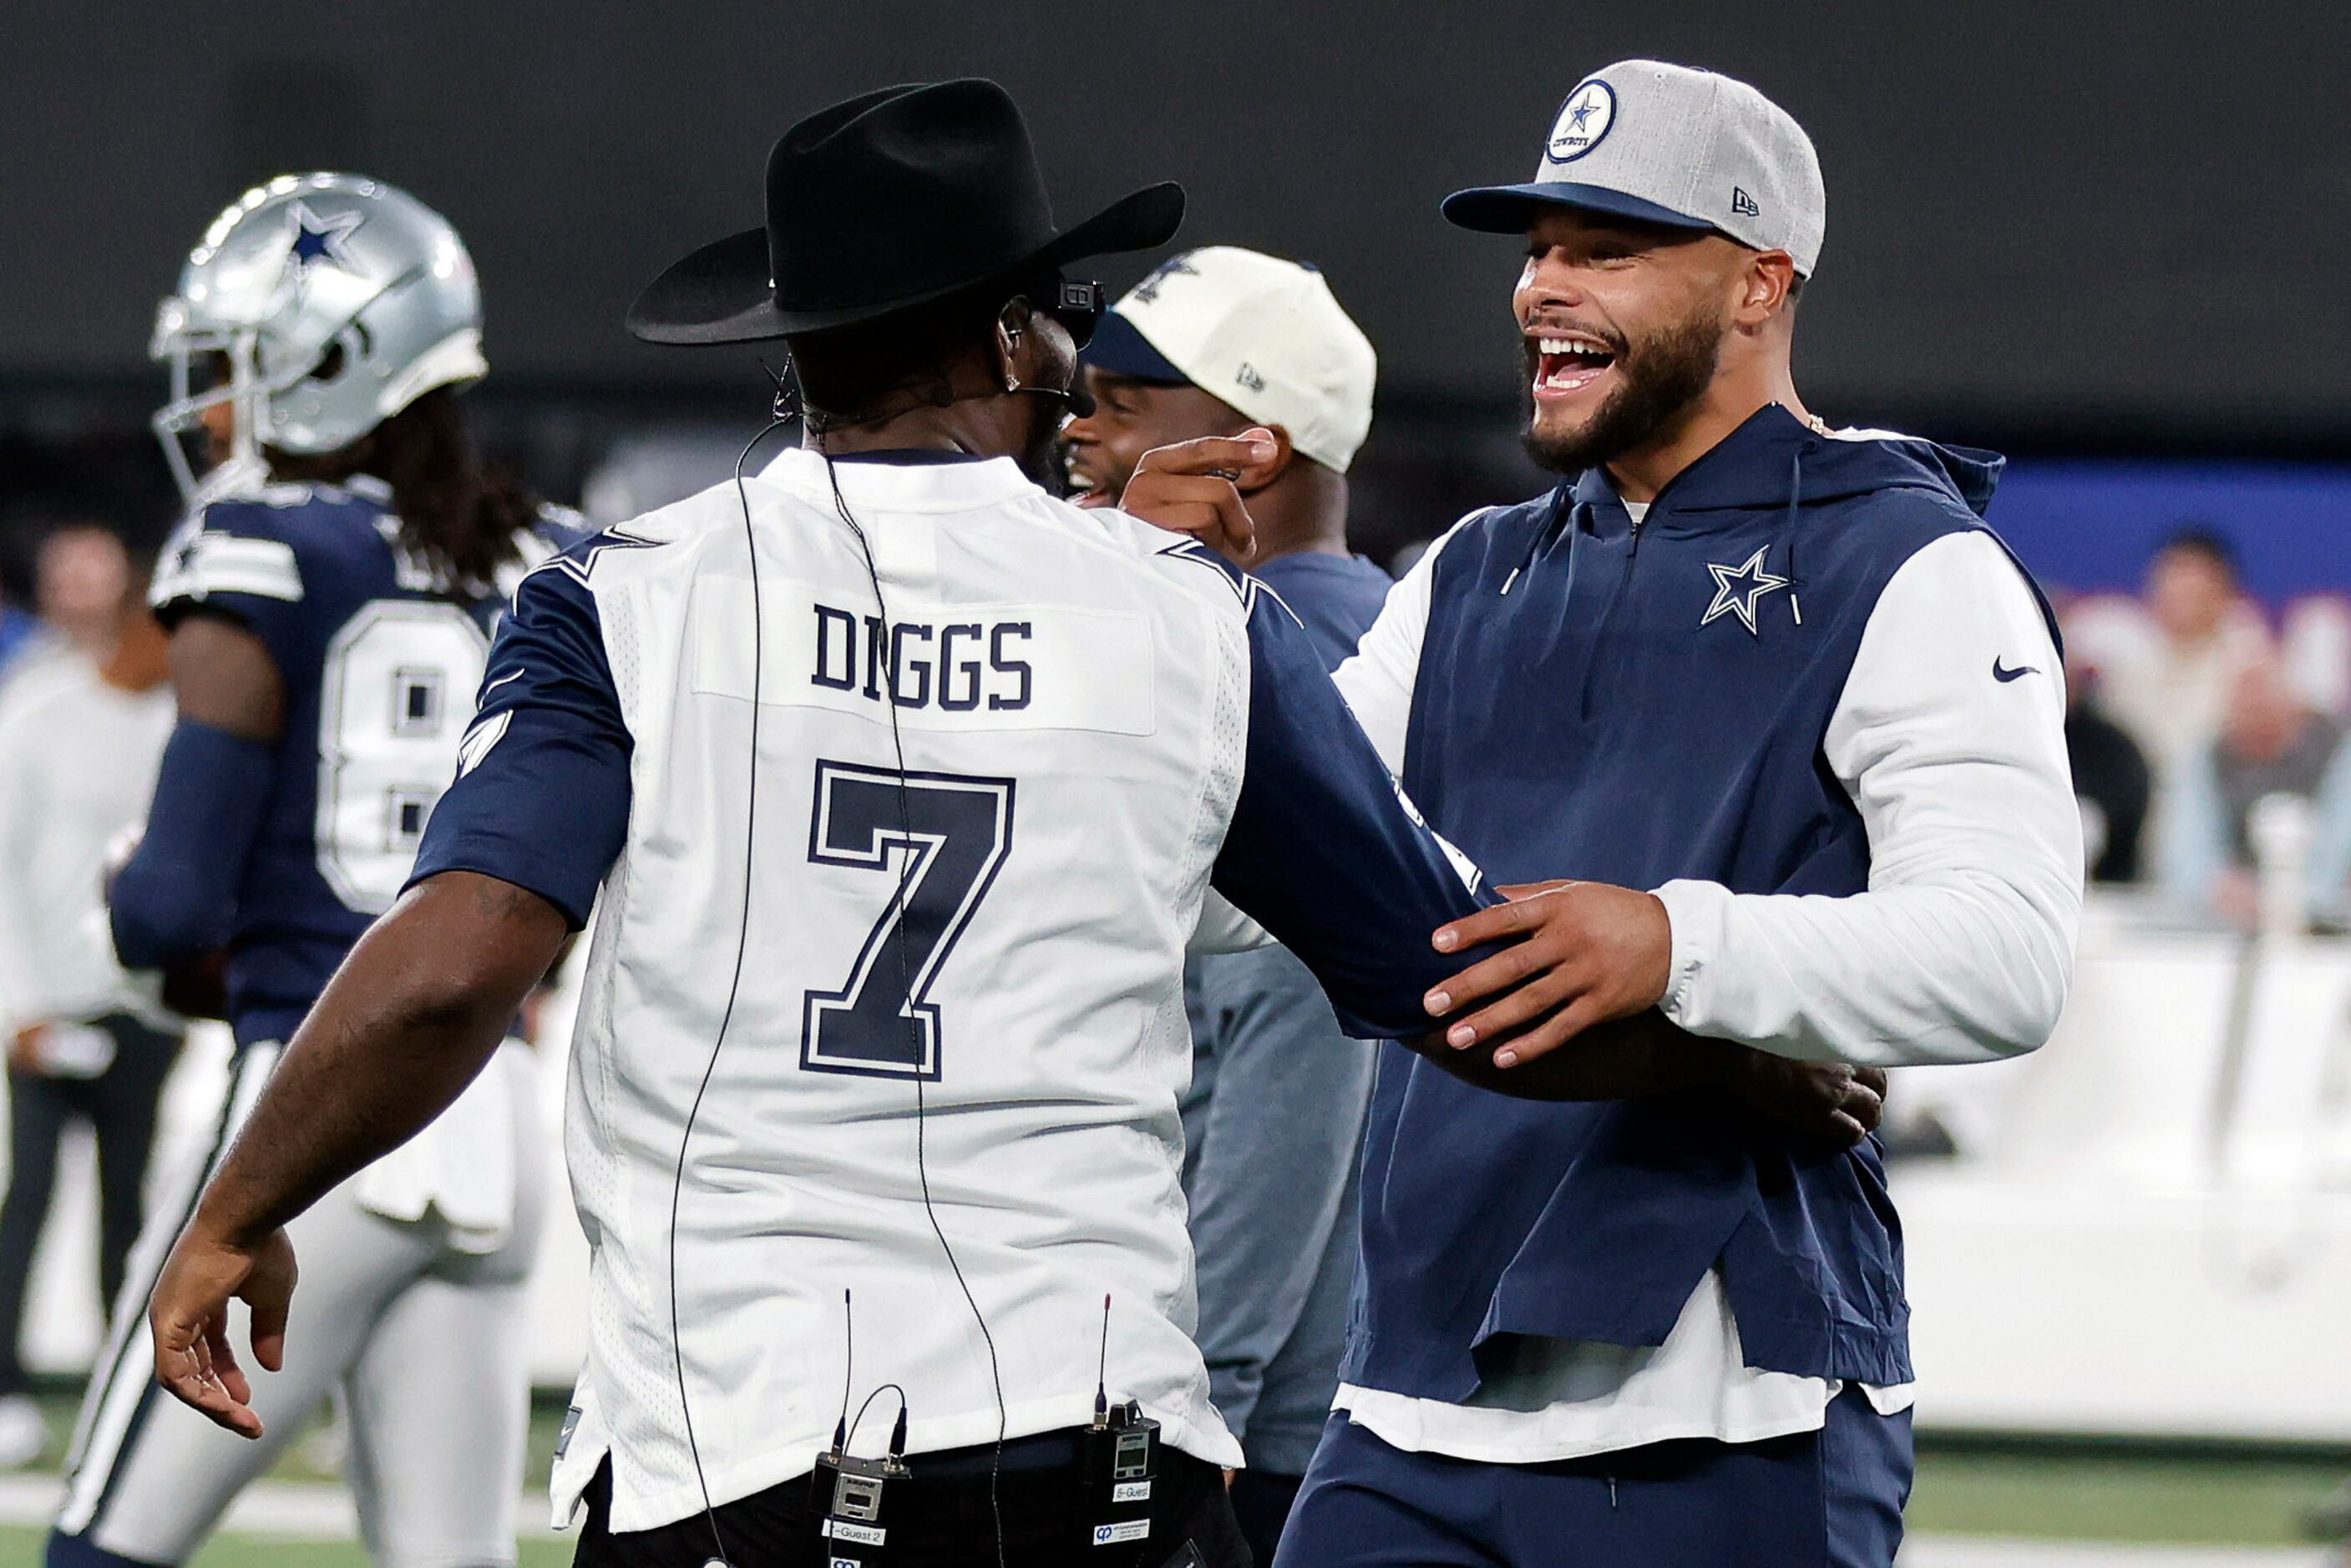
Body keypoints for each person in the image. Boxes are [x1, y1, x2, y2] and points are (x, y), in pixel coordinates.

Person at [134, 83, 1882, 1568]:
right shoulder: (1194, 610)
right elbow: (1453, 983)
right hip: (1099, 1449)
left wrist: (239, 1205)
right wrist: (1730, 1064)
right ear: (1000, 339)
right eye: (1057, 317)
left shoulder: (626, 594)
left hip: (743, 1445)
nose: (1070, 352)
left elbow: (455, 971)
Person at [1153, 61, 2077, 1568]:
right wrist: (1170, 619)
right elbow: (1245, 889)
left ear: (1760, 283)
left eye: (1608, 248)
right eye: (1538, 249)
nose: (1541, 290)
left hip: (1736, 1407)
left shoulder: (1914, 562)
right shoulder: (1465, 570)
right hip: (1406, 1406)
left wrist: (1673, 945)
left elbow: (2010, 953)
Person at [48, 173, 570, 1568]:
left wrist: (130, 892)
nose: (212, 407)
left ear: (326, 365)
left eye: (234, 369)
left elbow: (168, 905)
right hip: (497, 1108)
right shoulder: (554, 561)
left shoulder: (260, 546)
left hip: (311, 1107)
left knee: (103, 1547)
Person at [1064, 245, 1387, 1560]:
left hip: (1234, 1419)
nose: (1078, 428)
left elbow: (1295, 1054)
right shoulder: (1326, 623)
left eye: (1127, 398)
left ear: (1254, 444)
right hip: (1277, 1395)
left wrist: (1182, 1415)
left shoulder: (1282, 652)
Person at [0, 529, 180, 1469]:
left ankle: (126, 1390)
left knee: (133, 1210)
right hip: (50, 1003)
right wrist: (17, 1004)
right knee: (23, 1202)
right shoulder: (30, 707)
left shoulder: (172, 716)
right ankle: (6, 1391)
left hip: (142, 1004)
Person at [2159, 655, 2351, 928]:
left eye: (2266, 713)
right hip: (2224, 922)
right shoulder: (2209, 757)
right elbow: (2184, 854)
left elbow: (2339, 853)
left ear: (2295, 710)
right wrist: (2216, 886)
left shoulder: (2338, 754)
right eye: (2247, 712)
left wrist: (2284, 899)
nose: (2257, 725)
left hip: (2328, 926)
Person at [2099, 528, 2270, 802]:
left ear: (2223, 593)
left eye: (2193, 589)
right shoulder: (2131, 667)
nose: (2179, 598)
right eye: (2169, 583)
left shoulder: (2250, 667)